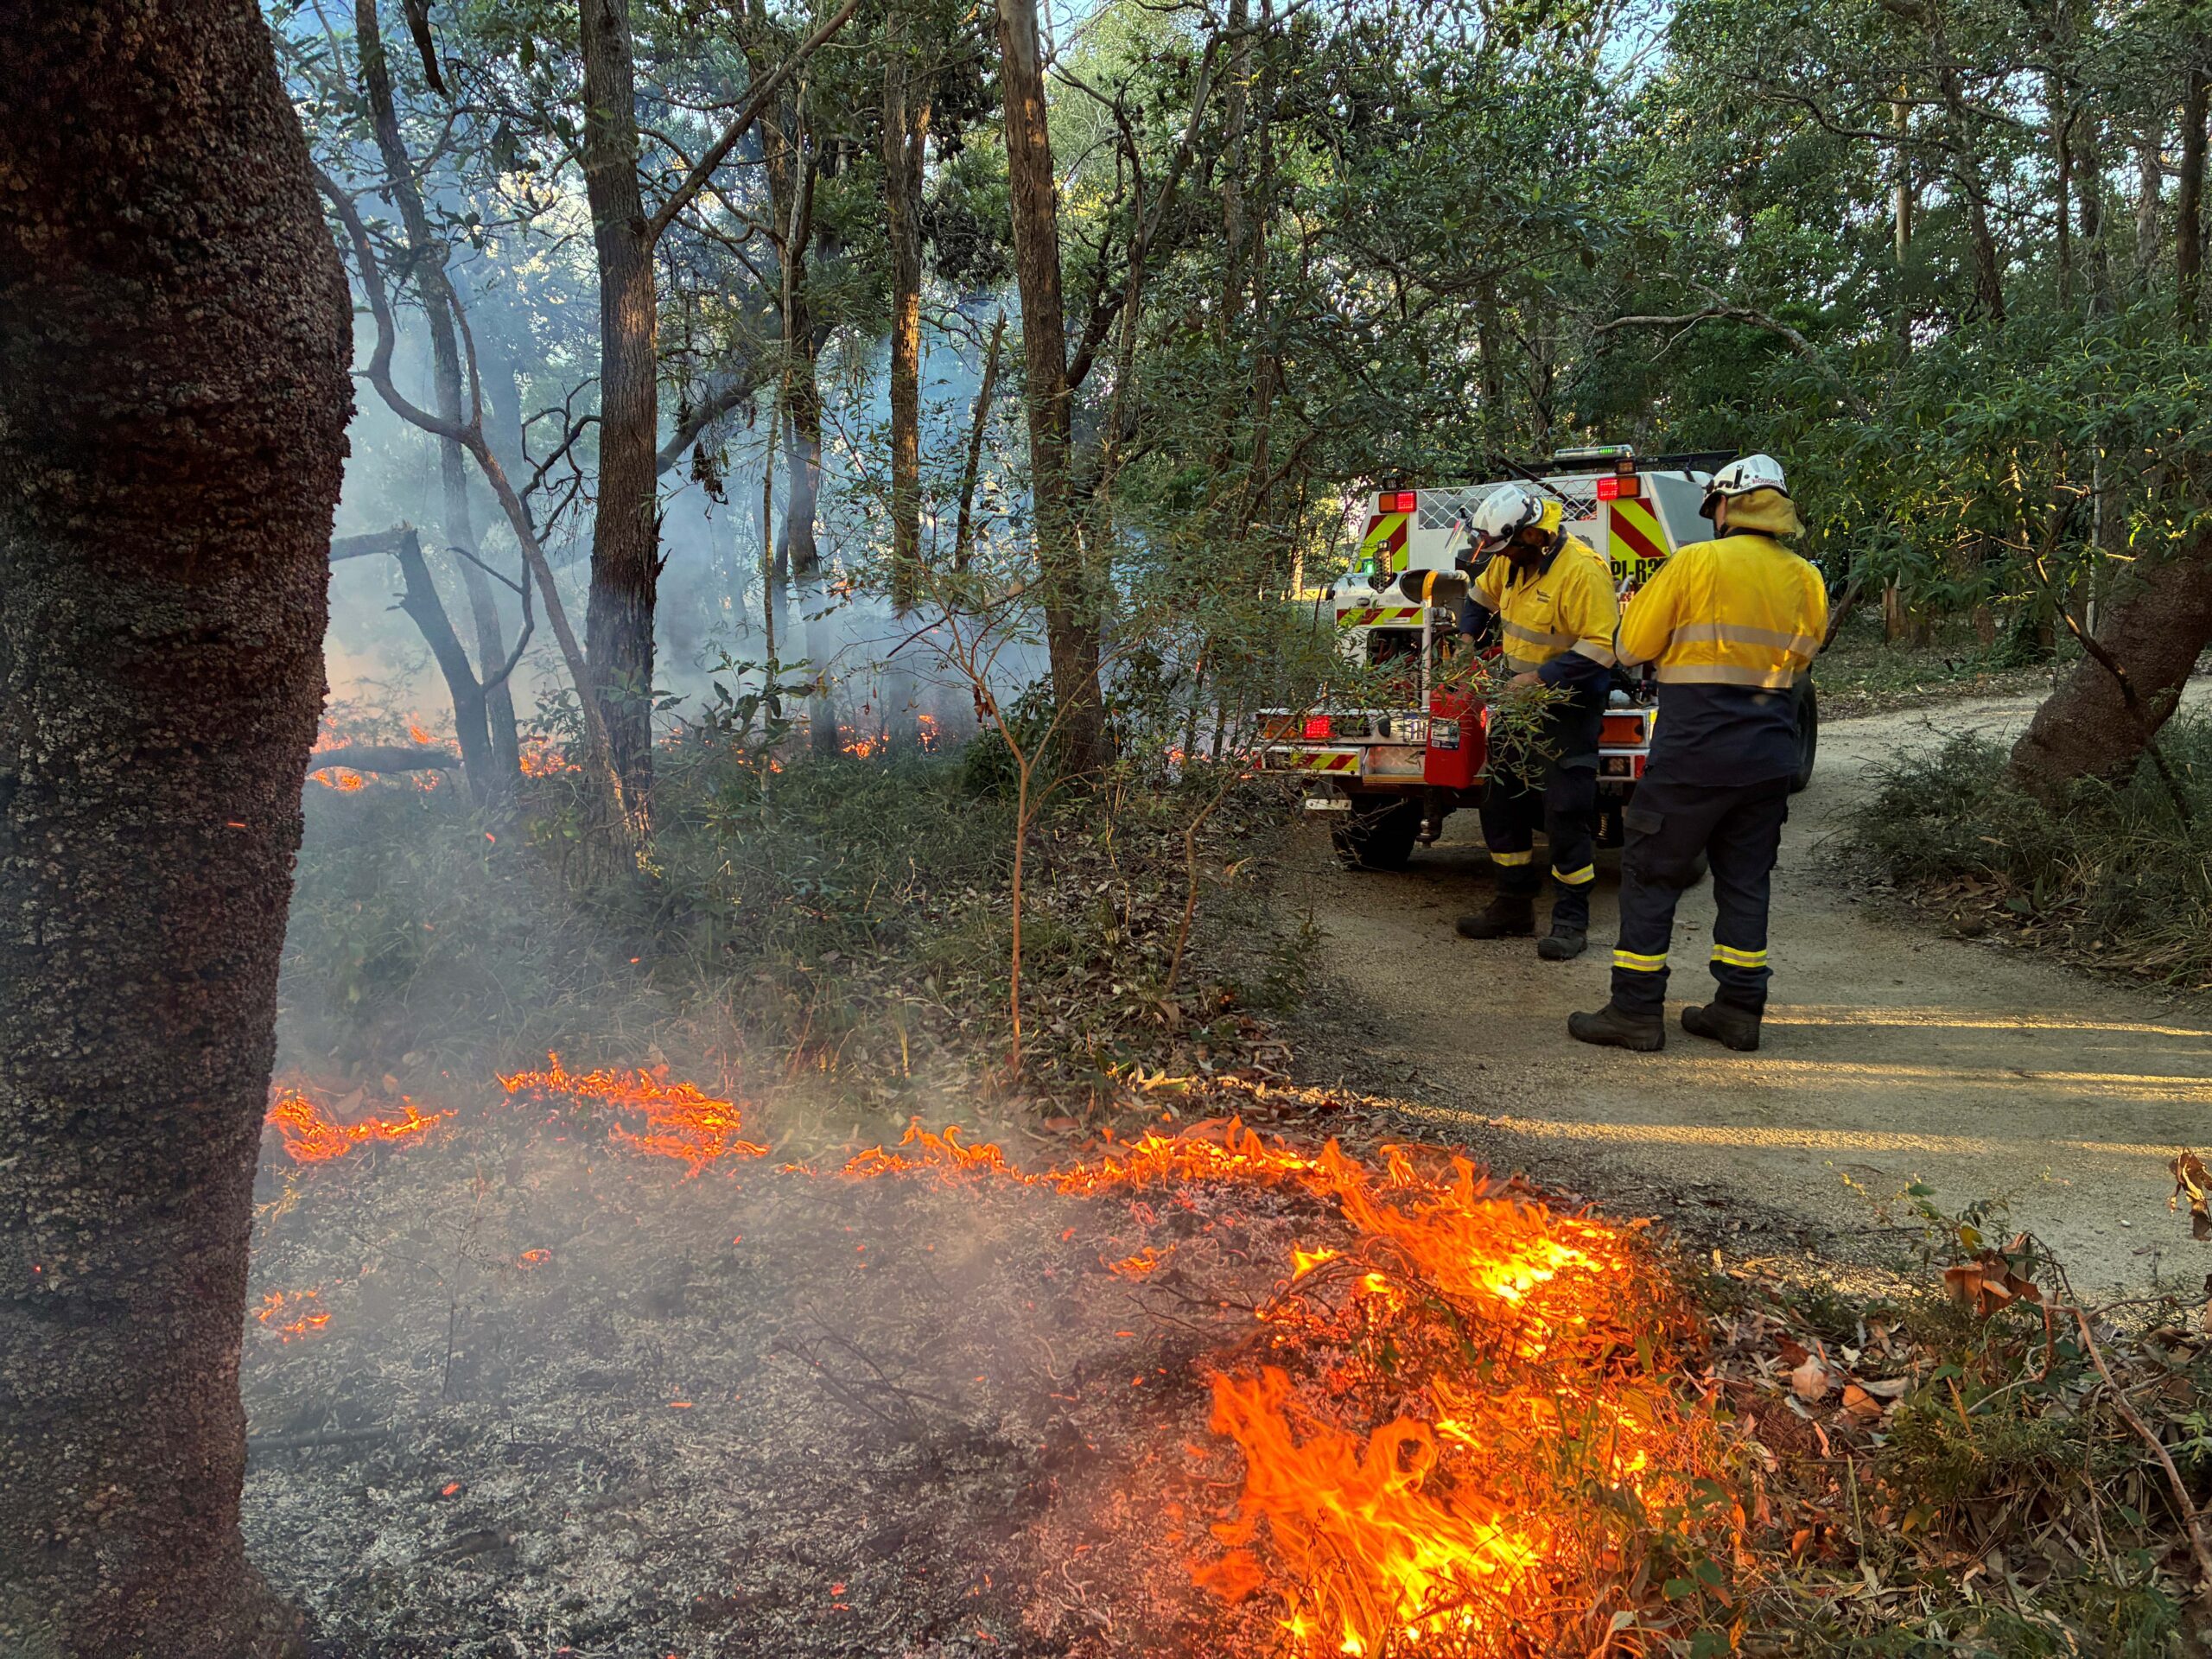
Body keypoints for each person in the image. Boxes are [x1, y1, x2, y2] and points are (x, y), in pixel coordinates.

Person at [1568, 454, 1827, 1052]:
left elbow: (1631, 649)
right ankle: (1738, 1011)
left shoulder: (1694, 562)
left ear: (1727, 506)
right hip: (1768, 756)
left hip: (1693, 755)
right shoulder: (1806, 577)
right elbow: (1803, 658)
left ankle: (1634, 1011)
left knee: (1652, 874)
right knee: (1744, 881)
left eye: (1712, 507)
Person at [1448, 482, 1621, 961]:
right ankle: (1513, 904)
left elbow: (1602, 648)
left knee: (1565, 812)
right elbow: (1480, 599)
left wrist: (1542, 678)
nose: (1503, 559)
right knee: (1499, 801)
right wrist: (1467, 638)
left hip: (1568, 703)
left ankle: (1570, 920)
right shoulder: (1510, 558)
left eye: (1511, 548)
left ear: (1536, 536)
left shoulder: (1582, 573)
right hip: (1515, 703)